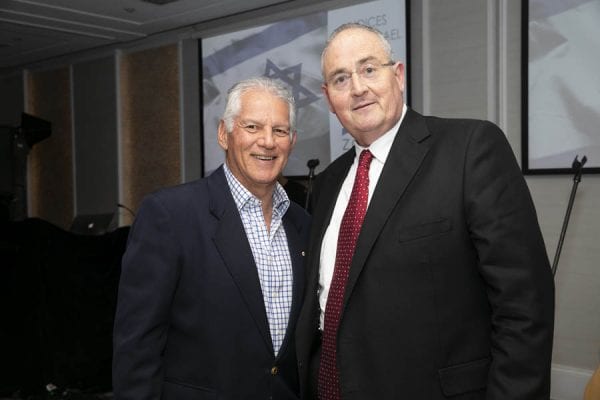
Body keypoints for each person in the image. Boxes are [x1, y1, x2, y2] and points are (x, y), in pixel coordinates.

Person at [295, 23, 555, 399]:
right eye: (340, 79)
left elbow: (524, 304)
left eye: (369, 69)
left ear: (398, 75)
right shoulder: (327, 183)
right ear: (328, 98)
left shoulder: (469, 149)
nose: (357, 88)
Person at [113, 77, 310, 400]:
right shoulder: (170, 215)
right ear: (223, 134)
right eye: (252, 127)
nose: (267, 141)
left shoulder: (302, 224)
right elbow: (137, 345)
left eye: (279, 130)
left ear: (292, 140)